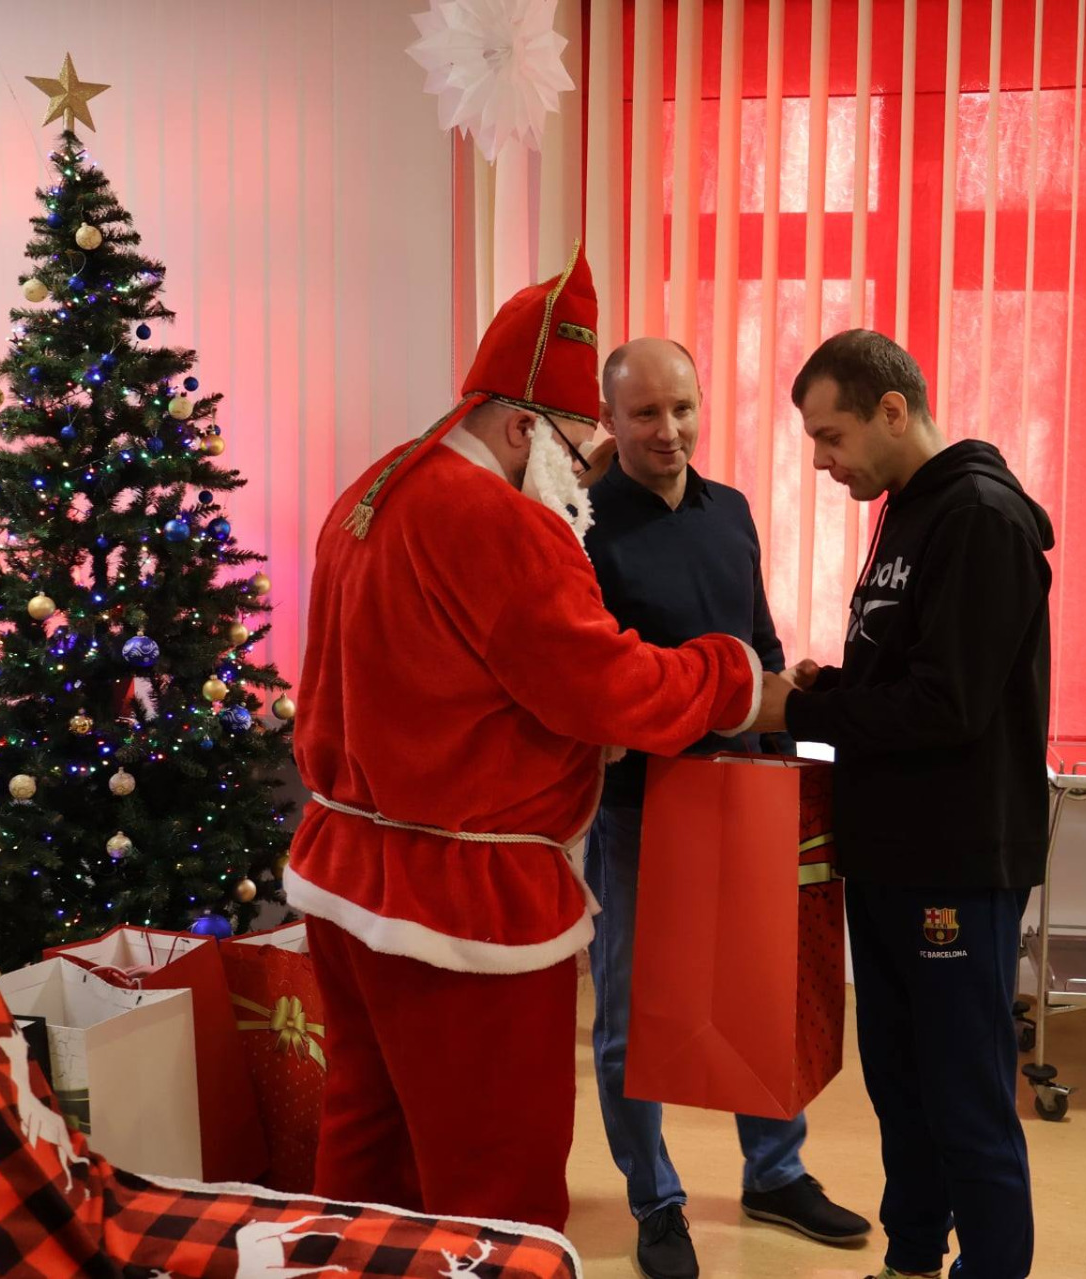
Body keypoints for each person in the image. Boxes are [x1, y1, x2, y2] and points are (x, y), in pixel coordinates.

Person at [285, 248, 787, 1231]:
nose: (583, 473)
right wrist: (734, 674)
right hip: (458, 904)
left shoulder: (381, 482)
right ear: (522, 426)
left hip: (349, 874)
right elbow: (604, 685)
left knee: (371, 1143)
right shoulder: (498, 520)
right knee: (497, 1173)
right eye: (574, 444)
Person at [582, 337, 871, 1279]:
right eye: (645, 414)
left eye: (683, 409)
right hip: (640, 800)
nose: (669, 430)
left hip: (746, 786)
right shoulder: (581, 527)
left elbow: (759, 643)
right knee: (632, 1014)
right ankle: (655, 1199)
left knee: (760, 988)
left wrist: (783, 761)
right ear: (610, 418)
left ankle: (774, 1173)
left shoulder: (732, 510)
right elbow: (592, 676)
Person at [773, 329, 1055, 1279]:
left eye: (832, 435)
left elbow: (948, 705)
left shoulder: (980, 517)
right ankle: (910, 1256)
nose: (821, 460)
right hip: (889, 850)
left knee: (964, 1091)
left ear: (893, 411)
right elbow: (912, 666)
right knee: (901, 1082)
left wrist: (801, 710)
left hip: (956, 860)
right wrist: (838, 682)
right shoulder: (907, 510)